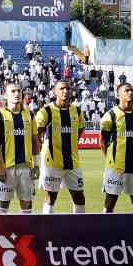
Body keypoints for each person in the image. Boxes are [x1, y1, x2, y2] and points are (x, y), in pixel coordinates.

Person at [35, 79, 86, 214]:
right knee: (51, 198)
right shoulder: (46, 111)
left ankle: (80, 229)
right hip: (52, 163)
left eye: (68, 88)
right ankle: (46, 229)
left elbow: (80, 130)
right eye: (62, 88)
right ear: (55, 92)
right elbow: (36, 134)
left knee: (79, 197)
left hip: (72, 162)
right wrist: (41, 151)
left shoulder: (77, 111)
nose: (65, 91)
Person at [0, 81, 37, 213]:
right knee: (3, 205)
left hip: (26, 168)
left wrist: (36, 165)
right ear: (6, 95)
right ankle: (0, 232)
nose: (17, 93)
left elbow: (34, 141)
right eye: (13, 91)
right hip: (7, 168)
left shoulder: (30, 115)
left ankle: (27, 233)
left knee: (27, 205)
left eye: (19, 91)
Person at [100, 81, 133, 213]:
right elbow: (103, 141)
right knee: (110, 202)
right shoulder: (111, 115)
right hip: (115, 167)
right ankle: (104, 230)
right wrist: (110, 158)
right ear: (118, 94)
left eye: (131, 90)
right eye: (126, 90)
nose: (130, 92)